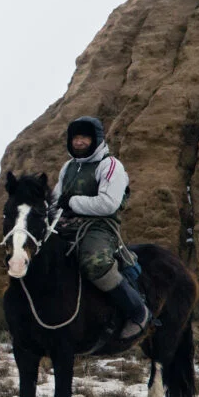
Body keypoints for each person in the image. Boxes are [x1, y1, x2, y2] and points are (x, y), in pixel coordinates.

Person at [50, 115, 150, 340]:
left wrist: (72, 203)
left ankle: (137, 311)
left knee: (95, 262)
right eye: (75, 138)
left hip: (100, 227)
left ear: (95, 139)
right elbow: (57, 199)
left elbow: (108, 204)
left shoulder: (110, 165)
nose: (79, 142)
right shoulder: (68, 167)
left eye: (84, 137)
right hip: (67, 224)